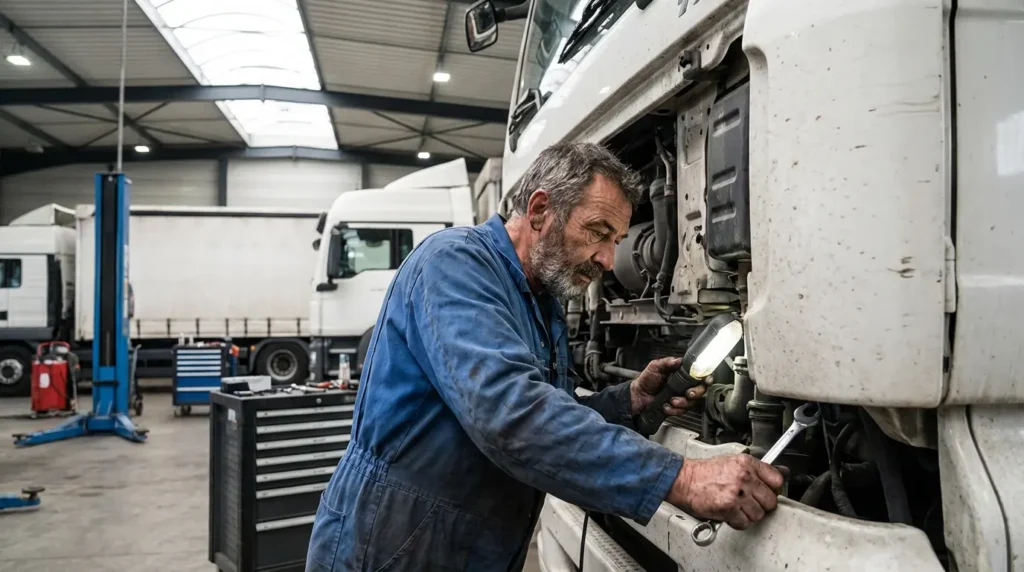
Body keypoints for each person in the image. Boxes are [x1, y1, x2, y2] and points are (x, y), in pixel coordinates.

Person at [306, 142, 784, 571]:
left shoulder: (542, 301)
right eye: (598, 232)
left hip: (473, 544)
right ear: (539, 211)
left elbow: (551, 412)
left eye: (616, 241)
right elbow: (511, 416)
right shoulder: (454, 264)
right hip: (392, 544)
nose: (606, 259)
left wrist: (630, 401)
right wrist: (683, 478)